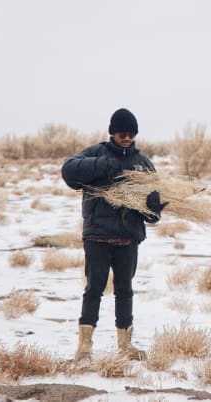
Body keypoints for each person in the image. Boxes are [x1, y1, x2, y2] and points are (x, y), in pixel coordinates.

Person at [61, 108, 167, 361]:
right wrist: (103, 165)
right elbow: (68, 170)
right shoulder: (96, 153)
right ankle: (84, 348)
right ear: (112, 132)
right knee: (94, 290)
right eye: (122, 133)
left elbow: (151, 217)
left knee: (125, 290)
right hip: (97, 237)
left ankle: (125, 346)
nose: (127, 138)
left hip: (128, 238)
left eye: (131, 134)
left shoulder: (143, 164)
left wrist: (153, 208)